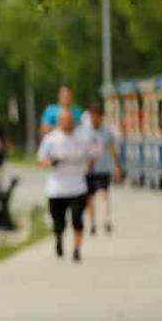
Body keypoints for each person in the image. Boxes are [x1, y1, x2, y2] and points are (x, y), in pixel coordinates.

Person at [37, 108, 89, 262]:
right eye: (64, 121)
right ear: (59, 122)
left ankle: (77, 249)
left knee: (77, 220)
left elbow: (91, 154)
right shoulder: (51, 139)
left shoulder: (81, 138)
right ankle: (59, 238)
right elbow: (40, 160)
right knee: (58, 222)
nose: (67, 123)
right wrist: (51, 162)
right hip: (57, 189)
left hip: (78, 187)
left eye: (69, 120)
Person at [79, 103, 122, 235]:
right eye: (92, 116)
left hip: (103, 168)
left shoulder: (107, 131)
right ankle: (92, 223)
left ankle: (106, 220)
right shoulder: (83, 132)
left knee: (104, 193)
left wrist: (117, 166)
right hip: (88, 169)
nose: (94, 119)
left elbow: (112, 148)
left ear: (101, 117)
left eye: (97, 116)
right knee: (89, 197)